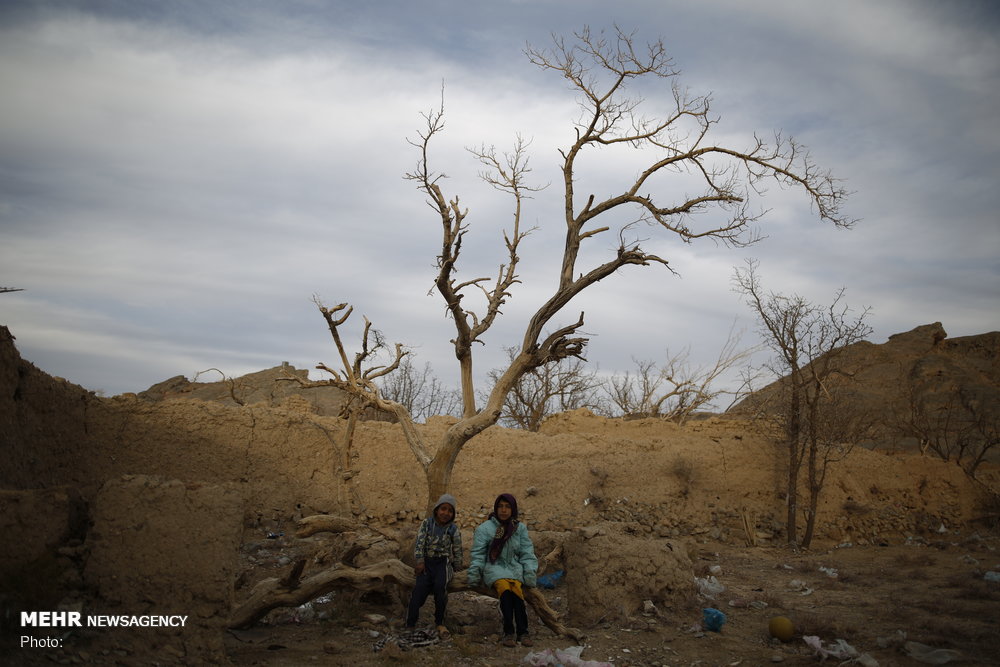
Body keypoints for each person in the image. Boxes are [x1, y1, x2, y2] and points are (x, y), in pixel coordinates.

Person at [467, 493, 538, 648]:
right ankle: (508, 632)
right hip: (495, 567)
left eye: (507, 507)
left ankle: (523, 632)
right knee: (505, 592)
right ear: (496, 508)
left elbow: (527, 552)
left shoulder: (519, 529)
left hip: (514, 569)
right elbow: (478, 553)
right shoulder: (486, 529)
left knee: (518, 595)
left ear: (513, 509)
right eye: (500, 506)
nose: (504, 510)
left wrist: (529, 573)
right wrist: (474, 573)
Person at [405, 493, 463, 637]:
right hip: (426, 562)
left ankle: (440, 622)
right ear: (437, 509)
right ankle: (410, 623)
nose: (446, 513)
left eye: (450, 511)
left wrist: (458, 564)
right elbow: (419, 543)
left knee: (440, 587)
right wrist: (419, 561)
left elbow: (457, 548)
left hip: (443, 563)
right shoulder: (427, 523)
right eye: (443, 509)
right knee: (418, 591)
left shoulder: (453, 529)